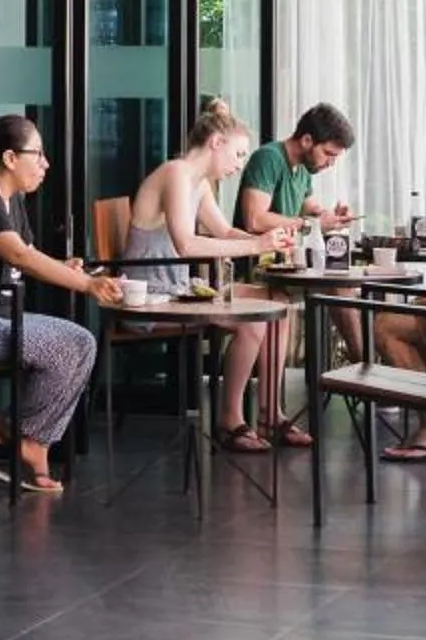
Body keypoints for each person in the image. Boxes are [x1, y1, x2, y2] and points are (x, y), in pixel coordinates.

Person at [0, 115, 118, 495]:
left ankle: (23, 433)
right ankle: (25, 437)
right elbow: (20, 256)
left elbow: (27, 253)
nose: (45, 163)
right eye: (38, 154)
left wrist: (64, 267)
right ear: (10, 158)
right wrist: (87, 284)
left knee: (82, 342)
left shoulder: (11, 200)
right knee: (60, 346)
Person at [123, 100, 300, 453]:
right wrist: (255, 246)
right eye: (238, 154)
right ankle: (231, 420)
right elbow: (186, 245)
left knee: (277, 303)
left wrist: (265, 241)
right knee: (253, 322)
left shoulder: (198, 182)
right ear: (216, 142)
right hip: (151, 295)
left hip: (178, 290)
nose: (239, 165)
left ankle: (270, 412)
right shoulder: (175, 173)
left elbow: (222, 231)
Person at [237, 104, 357, 237]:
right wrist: (309, 225)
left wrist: (333, 218)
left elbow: (311, 210)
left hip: (282, 255)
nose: (331, 163)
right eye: (328, 153)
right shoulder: (269, 158)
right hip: (254, 256)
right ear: (306, 141)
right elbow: (254, 220)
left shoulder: (304, 167)